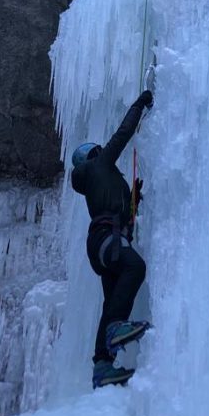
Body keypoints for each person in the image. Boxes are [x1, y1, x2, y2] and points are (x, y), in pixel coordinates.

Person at [71, 90, 154, 389]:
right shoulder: (100, 165)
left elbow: (122, 217)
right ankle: (116, 330)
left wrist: (133, 198)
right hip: (107, 238)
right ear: (95, 154)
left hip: (102, 244)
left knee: (111, 301)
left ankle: (102, 365)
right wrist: (140, 104)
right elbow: (122, 135)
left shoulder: (99, 183)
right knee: (136, 267)